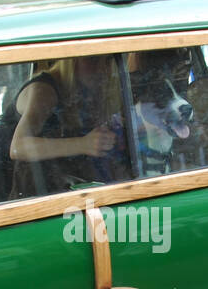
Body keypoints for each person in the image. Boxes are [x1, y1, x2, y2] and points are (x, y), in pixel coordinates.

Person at [9, 54, 129, 196]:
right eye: (91, 59)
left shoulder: (86, 92)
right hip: (19, 192)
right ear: (71, 61)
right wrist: (83, 144)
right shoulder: (44, 90)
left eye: (107, 60)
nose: (101, 68)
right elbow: (18, 147)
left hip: (57, 183)